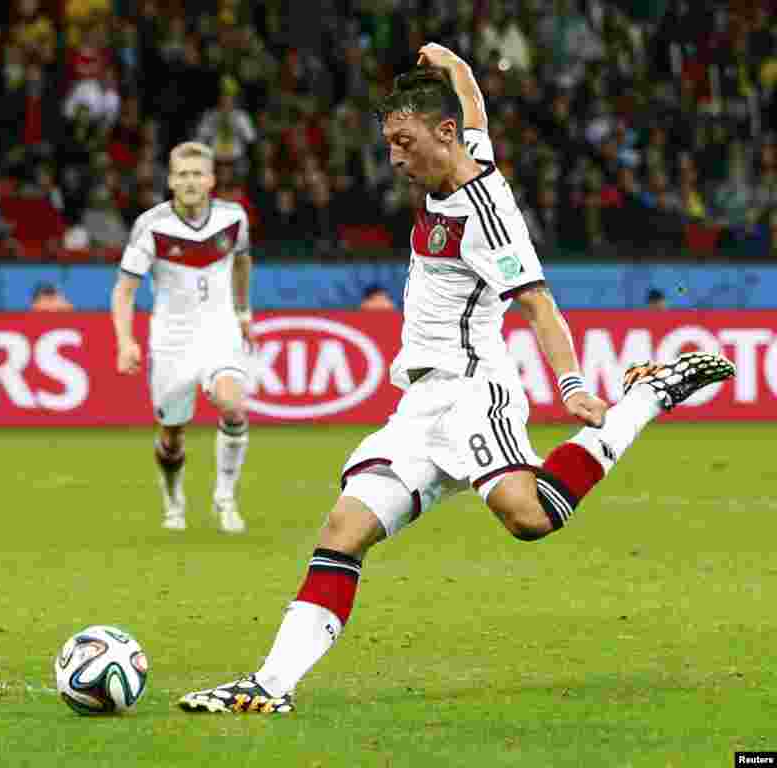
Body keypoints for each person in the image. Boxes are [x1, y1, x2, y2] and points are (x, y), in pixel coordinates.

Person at [177, 44, 735, 715]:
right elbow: (470, 97)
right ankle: (270, 687)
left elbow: (539, 304)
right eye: (388, 143)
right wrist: (454, 63)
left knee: (529, 518)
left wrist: (572, 389)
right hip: (421, 403)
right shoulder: (461, 147)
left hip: (474, 390)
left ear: (441, 137)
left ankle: (644, 398)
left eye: (402, 142)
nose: (394, 158)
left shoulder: (488, 215)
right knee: (343, 529)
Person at [111, 141, 254, 534]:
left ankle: (225, 499)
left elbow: (242, 262)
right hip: (171, 341)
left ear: (210, 180)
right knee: (172, 436)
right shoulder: (151, 226)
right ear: (171, 181)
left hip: (219, 331)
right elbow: (124, 289)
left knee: (232, 404)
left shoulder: (234, 219)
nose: (190, 181)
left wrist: (243, 312)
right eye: (182, 175)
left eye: (197, 174)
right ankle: (173, 498)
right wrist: (125, 341)